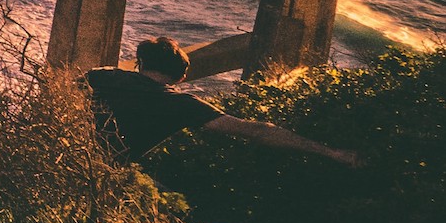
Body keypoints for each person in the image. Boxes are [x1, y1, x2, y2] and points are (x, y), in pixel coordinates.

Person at [85, 36, 361, 165]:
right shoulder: (180, 105)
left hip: (65, 152)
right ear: (181, 77)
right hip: (98, 170)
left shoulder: (102, 76)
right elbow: (254, 131)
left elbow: (60, 92)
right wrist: (331, 152)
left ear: (141, 63)